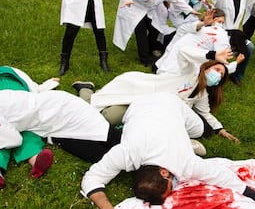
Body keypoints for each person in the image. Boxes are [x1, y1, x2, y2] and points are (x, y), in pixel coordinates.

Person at [81, 93, 255, 209]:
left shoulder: (186, 164)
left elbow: (225, 178)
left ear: (165, 172)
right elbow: (92, 177)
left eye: (171, 187)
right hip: (138, 106)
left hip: (172, 102)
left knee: (200, 129)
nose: (175, 188)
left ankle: (195, 134)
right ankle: (188, 140)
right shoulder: (126, 153)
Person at [74, 46, 241, 143]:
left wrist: (220, 130)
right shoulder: (190, 71)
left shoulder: (202, 94)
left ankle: (95, 94)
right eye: (217, 69)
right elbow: (182, 52)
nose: (218, 75)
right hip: (140, 90)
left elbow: (205, 113)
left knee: (109, 117)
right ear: (207, 67)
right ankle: (85, 89)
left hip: (149, 108)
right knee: (103, 113)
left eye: (221, 76)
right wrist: (212, 55)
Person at [112, 0, 197, 66]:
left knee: (155, 28)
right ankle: (144, 58)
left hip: (147, 9)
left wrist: (190, 10)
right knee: (141, 31)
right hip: (132, 6)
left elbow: (176, 0)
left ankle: (150, 49)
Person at [0, 66, 59, 188]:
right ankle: (34, 157)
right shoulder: (14, 73)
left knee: (24, 129)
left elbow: (34, 87)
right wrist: (47, 85)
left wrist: (48, 83)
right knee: (20, 129)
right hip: (14, 102)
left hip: (20, 100)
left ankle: (36, 159)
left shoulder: (15, 73)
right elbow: (35, 87)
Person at [154, 8, 242, 76]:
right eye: (218, 21)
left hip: (177, 65)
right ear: (210, 18)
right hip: (168, 64)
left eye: (222, 23)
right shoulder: (193, 28)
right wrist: (203, 23)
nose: (220, 25)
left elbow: (219, 58)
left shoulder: (214, 34)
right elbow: (192, 28)